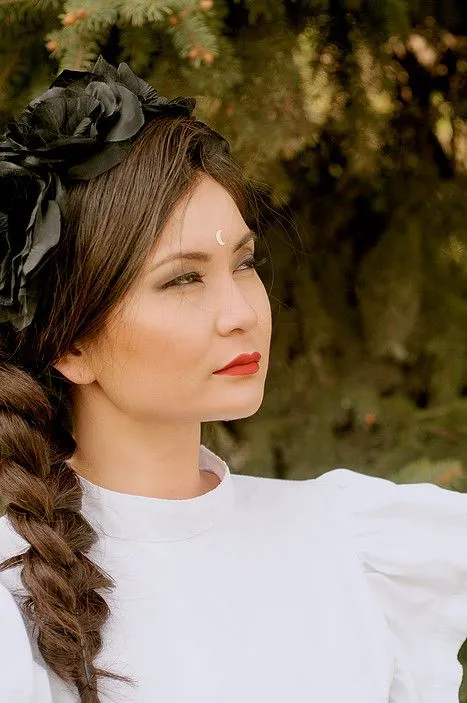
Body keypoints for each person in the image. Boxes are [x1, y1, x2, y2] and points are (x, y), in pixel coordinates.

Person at [0, 55, 466, 703]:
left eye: (244, 263)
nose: (242, 312)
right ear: (71, 344)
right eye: (183, 278)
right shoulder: (12, 596)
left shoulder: (350, 540)